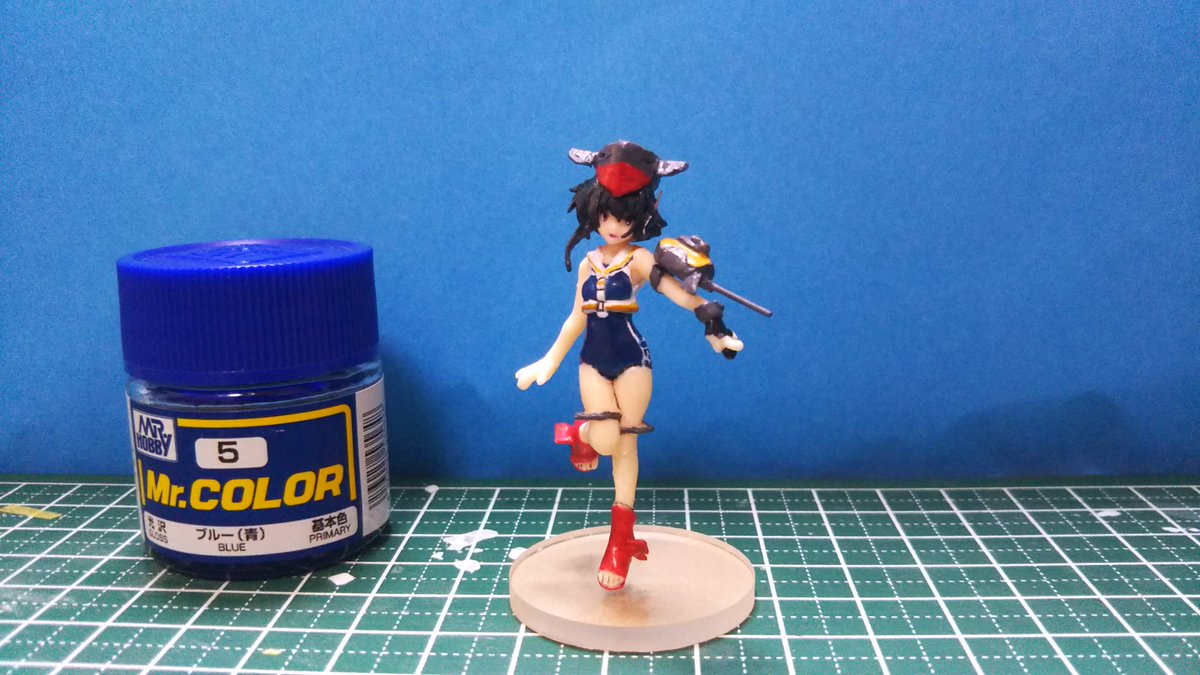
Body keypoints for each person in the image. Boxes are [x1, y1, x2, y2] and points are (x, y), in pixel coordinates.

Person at [516, 141, 744, 591]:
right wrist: (549, 359)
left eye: (625, 217)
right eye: (607, 215)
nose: (615, 225)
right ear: (593, 211)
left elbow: (677, 292)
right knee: (603, 439)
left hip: (632, 359)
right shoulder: (588, 263)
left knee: (625, 445)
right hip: (593, 360)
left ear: (641, 216)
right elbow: (576, 317)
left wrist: (711, 321)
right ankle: (578, 434)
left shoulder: (639, 259)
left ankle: (620, 541)